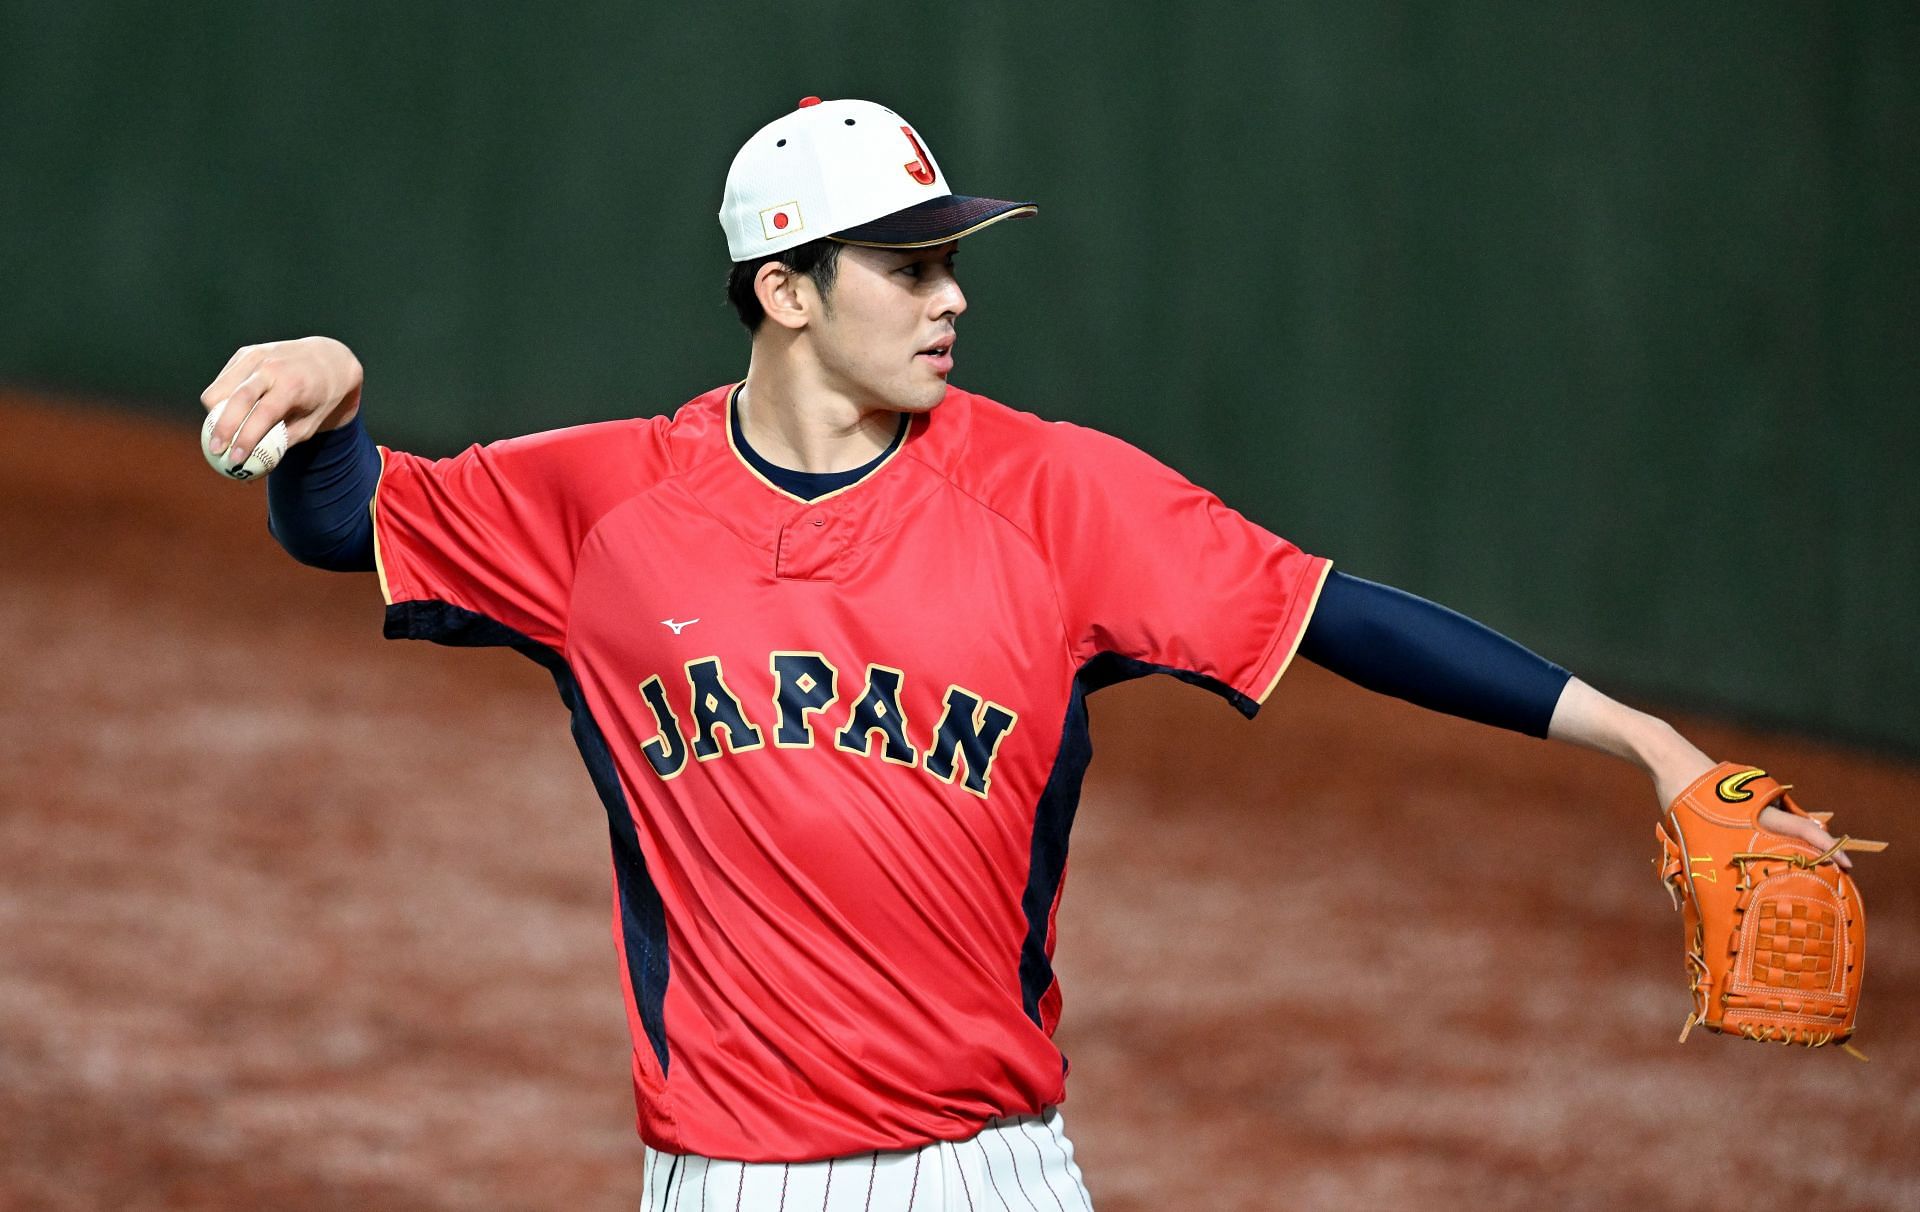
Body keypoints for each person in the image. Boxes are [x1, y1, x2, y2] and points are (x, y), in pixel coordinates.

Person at [199, 97, 1850, 1212]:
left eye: (954, 265)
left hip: (988, 1172)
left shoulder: (1059, 495)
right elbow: (347, 528)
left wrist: (1649, 742)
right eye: (907, 267)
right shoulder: (605, 504)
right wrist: (334, 387)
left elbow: (1334, 613)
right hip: (723, 1180)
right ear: (783, 289)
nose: (949, 301)